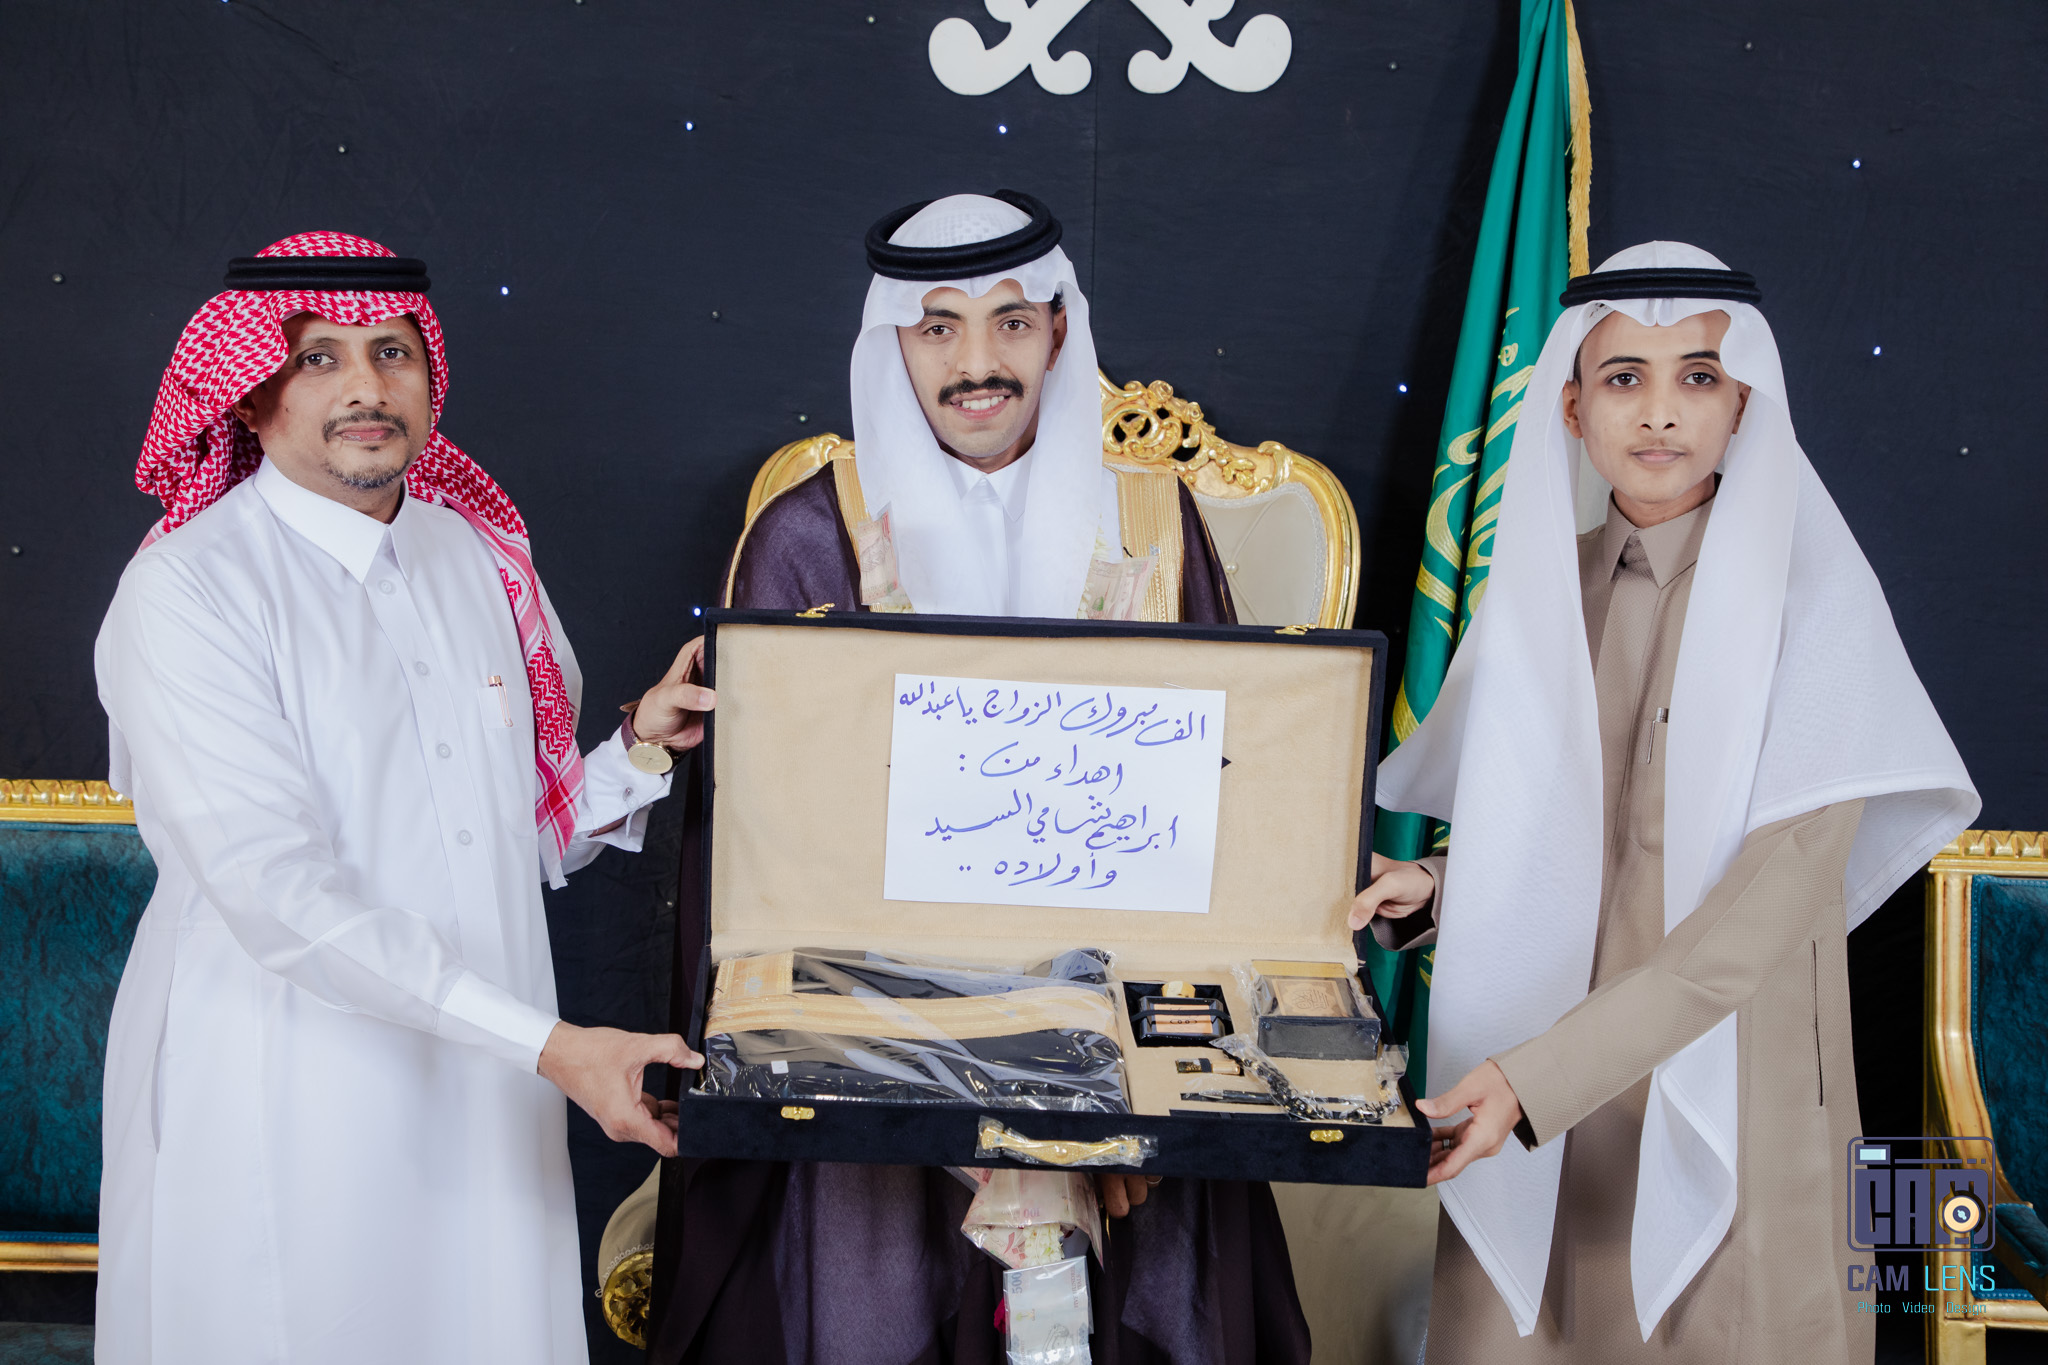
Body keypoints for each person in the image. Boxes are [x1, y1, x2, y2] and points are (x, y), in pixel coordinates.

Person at [649, 194, 1307, 1365]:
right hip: (877, 1043)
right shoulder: (809, 534)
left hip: (1119, 1032)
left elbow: (1227, 788)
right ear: (893, 343)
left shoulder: (1151, 521)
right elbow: (758, 844)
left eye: (1009, 322)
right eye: (937, 328)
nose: (975, 365)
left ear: (1056, 330)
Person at [1350, 242, 1978, 1361]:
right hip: (1533, 1079)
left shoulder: (1817, 609)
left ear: (1743, 405)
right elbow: (1563, 835)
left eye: (1696, 377)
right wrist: (1437, 884)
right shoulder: (1546, 590)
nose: (1658, 412)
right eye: (1622, 378)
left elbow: (1754, 924)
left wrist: (1535, 1082)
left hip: (1728, 1085)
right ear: (1570, 409)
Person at [94, 232, 712, 1364]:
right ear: (250, 392)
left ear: (430, 377)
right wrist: (551, 1047)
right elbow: (277, 896)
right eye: (317, 358)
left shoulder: (477, 557)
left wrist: (636, 752)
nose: (365, 388)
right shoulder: (187, 591)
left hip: (494, 1073)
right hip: (291, 1079)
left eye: (391, 352)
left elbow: (506, 836)